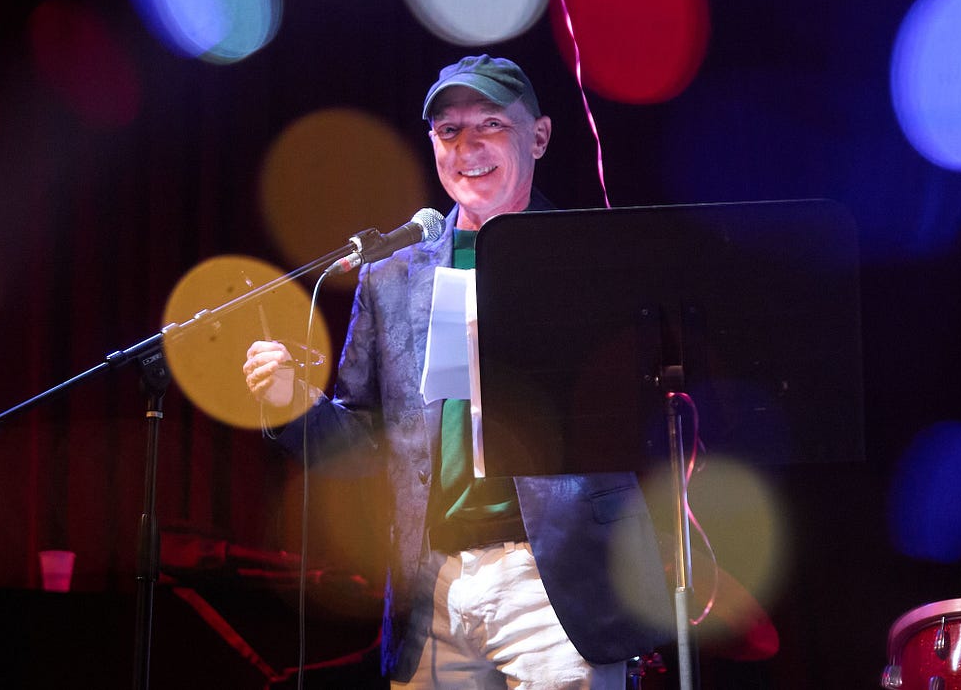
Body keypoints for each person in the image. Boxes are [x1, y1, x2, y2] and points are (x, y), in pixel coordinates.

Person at [243, 54, 671, 689]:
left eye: (491, 124)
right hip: (432, 589)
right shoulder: (393, 276)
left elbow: (651, 412)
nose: (467, 147)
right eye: (449, 131)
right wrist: (292, 403)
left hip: (557, 584)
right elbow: (366, 441)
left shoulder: (590, 258)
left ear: (539, 137)